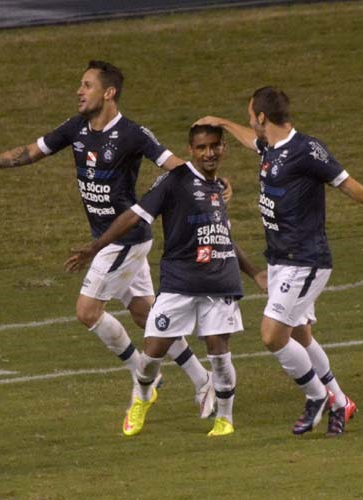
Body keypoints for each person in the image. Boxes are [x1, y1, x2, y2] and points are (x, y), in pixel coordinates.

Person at [0, 60, 220, 418]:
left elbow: (174, 165)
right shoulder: (76, 128)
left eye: (87, 85)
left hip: (125, 239)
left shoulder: (132, 134)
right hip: (108, 238)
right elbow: (30, 152)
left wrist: (211, 183)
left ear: (108, 93)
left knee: (87, 311)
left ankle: (142, 372)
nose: (79, 91)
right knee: (147, 316)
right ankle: (203, 381)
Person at [195, 86, 363, 437]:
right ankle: (341, 403)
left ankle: (317, 397)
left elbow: (347, 184)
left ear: (262, 117)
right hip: (281, 259)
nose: (249, 122)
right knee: (300, 335)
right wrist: (221, 122)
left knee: (272, 335)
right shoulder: (269, 147)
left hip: (305, 260)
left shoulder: (307, 150)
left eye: (250, 115)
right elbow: (250, 140)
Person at [66, 124, 267, 437]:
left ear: (223, 148)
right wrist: (96, 247)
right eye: (202, 147)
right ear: (191, 150)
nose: (209, 153)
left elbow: (222, 237)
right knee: (151, 355)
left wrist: (254, 272)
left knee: (220, 354)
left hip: (219, 282)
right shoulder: (175, 181)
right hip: (179, 284)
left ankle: (224, 420)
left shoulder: (217, 188)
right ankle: (143, 395)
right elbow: (134, 215)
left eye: (214, 146)